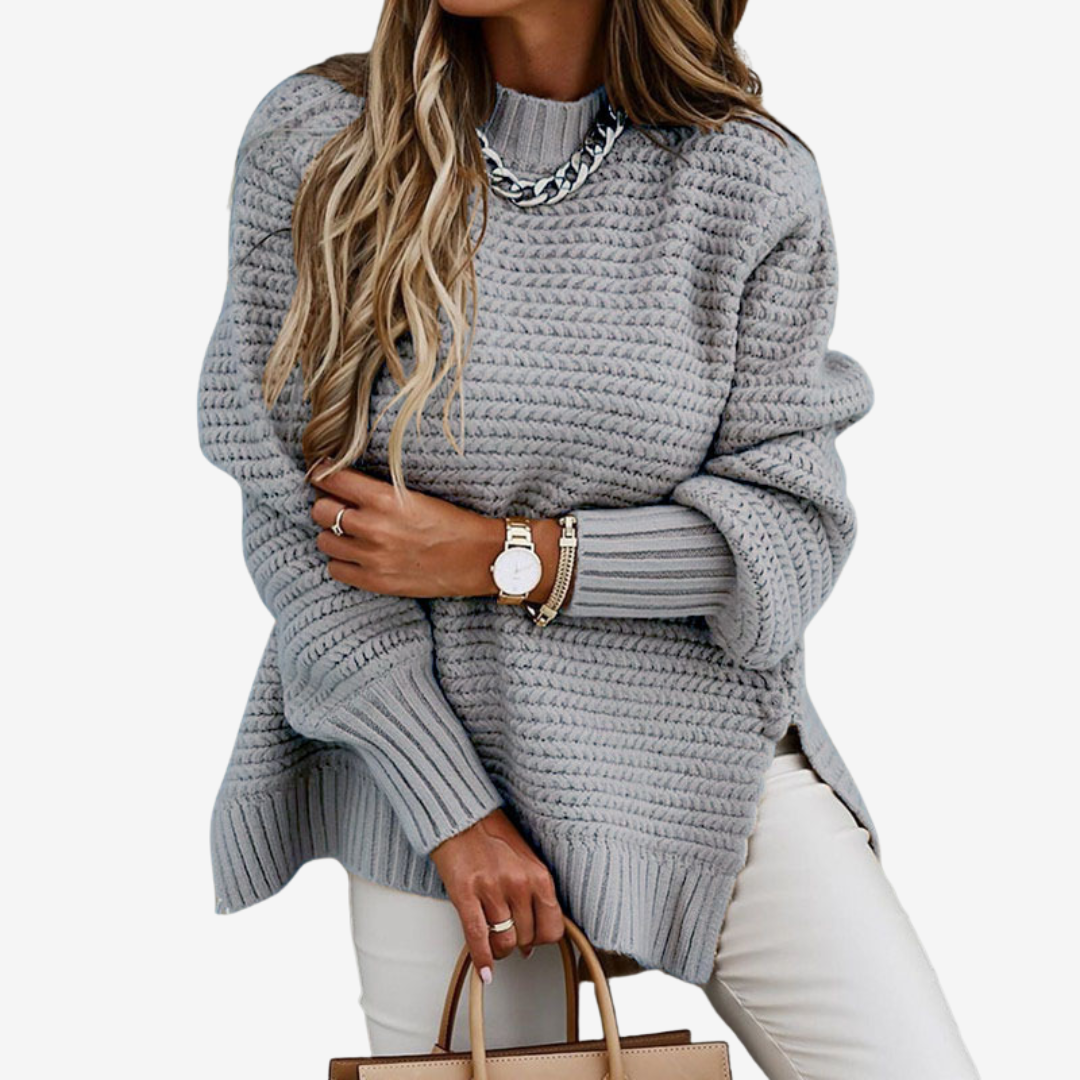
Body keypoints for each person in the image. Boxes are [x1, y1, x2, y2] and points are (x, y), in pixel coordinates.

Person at [196, 2, 981, 1077]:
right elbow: (295, 524)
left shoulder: (743, 179)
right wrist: (455, 812)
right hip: (432, 763)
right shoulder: (325, 144)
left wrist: (505, 555)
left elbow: (788, 532)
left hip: (701, 755)